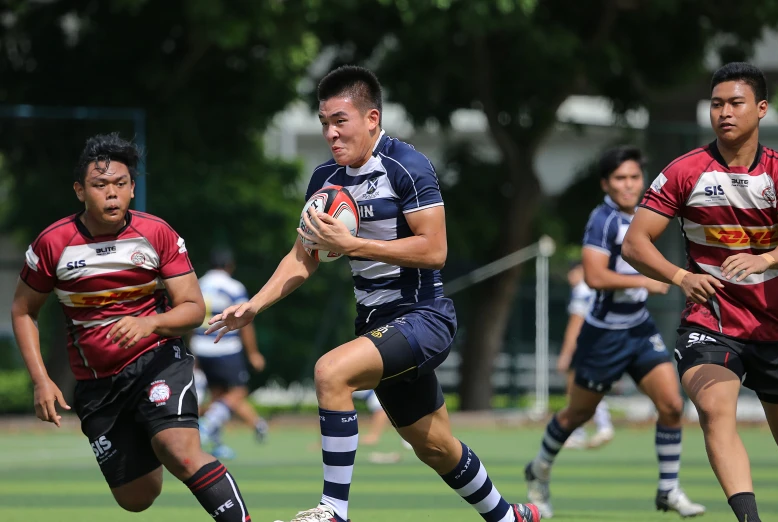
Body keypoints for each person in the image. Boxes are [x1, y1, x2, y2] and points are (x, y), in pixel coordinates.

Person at [207, 65, 539, 522]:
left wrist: (353, 245)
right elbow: (302, 256)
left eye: (339, 120)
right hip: (376, 324)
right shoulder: (326, 179)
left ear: (372, 118)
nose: (330, 133)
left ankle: (334, 511)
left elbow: (435, 249)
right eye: (324, 122)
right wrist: (254, 306)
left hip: (424, 316)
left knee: (330, 372)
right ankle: (508, 517)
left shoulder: (408, 166)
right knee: (436, 447)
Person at [10, 133, 252, 520]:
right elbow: (24, 311)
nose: (112, 195)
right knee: (136, 498)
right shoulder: (52, 244)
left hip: (158, 361)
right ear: (79, 190)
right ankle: (150, 432)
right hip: (97, 383)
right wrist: (41, 379)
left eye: (120, 185)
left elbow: (193, 308)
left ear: (132, 188)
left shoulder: (157, 233)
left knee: (182, 452)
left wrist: (150, 323)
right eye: (100, 185)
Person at [622, 62, 778, 522]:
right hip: (711, 323)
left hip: (775, 326)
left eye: (735, 103)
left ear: (762, 109)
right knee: (714, 410)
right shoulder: (685, 171)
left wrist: (766, 258)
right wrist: (679, 277)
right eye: (716, 104)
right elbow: (635, 243)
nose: (724, 112)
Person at [524, 145, 706, 519]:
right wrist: (647, 280)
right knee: (576, 414)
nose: (628, 185)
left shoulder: (646, 214)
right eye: (620, 178)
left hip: (638, 328)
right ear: (606, 184)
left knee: (672, 405)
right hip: (604, 335)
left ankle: (668, 488)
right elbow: (593, 276)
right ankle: (539, 469)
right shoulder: (602, 220)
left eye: (634, 177)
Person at [191, 248, 269, 460]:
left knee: (217, 394)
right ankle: (207, 425)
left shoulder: (198, 283)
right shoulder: (233, 287)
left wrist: (193, 348)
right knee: (238, 392)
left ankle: (215, 444)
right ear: (230, 266)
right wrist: (253, 353)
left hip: (201, 346)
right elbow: (245, 321)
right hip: (225, 348)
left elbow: (191, 317)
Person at [557, 262, 614, 450]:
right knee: (591, 386)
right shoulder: (599, 289)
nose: (569, 277)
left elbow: (575, 324)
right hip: (602, 342)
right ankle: (602, 425)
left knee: (575, 388)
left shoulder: (581, 291)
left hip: (584, 345)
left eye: (572, 272)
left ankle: (579, 432)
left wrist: (566, 354)